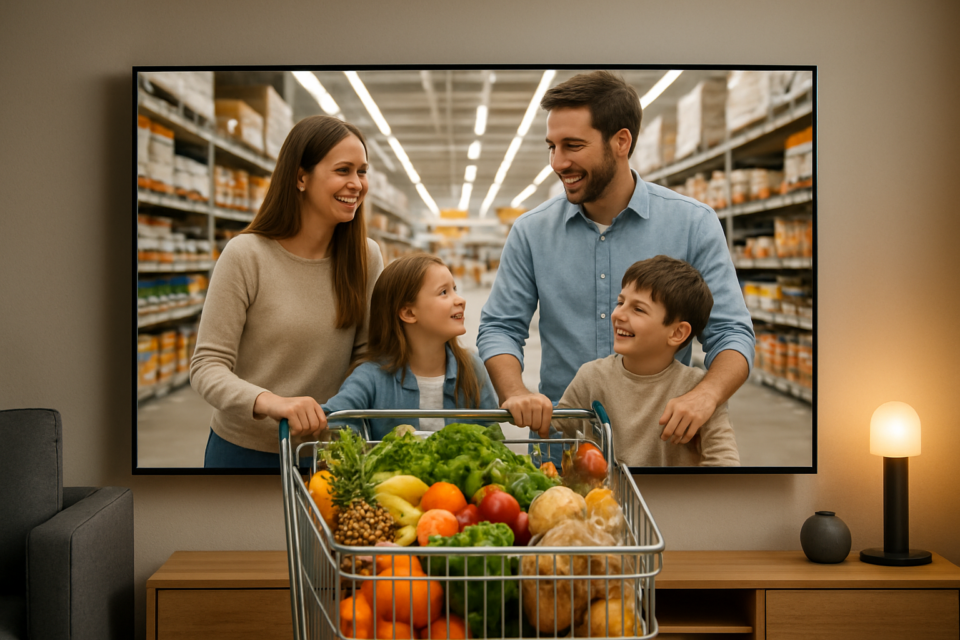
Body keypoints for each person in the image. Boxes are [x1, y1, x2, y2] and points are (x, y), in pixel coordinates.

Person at [477, 70, 755, 458]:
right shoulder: (531, 231)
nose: (558, 162)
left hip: (658, 451)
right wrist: (516, 392)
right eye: (552, 147)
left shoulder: (693, 223)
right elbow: (500, 327)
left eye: (573, 145)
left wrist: (705, 396)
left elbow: (731, 333)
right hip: (564, 449)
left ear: (621, 141)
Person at [190, 115, 384, 468]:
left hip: (330, 454)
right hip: (245, 451)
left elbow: (366, 355)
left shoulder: (365, 256)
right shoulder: (247, 255)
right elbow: (207, 366)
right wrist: (271, 402)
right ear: (300, 177)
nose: (356, 184)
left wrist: (337, 416)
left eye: (362, 171)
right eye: (343, 170)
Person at [554, 256, 740, 466]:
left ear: (678, 332)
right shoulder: (590, 377)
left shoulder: (697, 391)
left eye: (638, 309)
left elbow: (724, 462)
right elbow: (556, 429)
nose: (618, 314)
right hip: (603, 498)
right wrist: (535, 410)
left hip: (672, 499)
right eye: (620, 302)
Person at [321, 253, 499, 440]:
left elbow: (494, 440)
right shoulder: (370, 378)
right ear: (408, 312)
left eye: (454, 289)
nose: (460, 300)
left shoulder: (472, 368)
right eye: (444, 292)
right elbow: (331, 424)